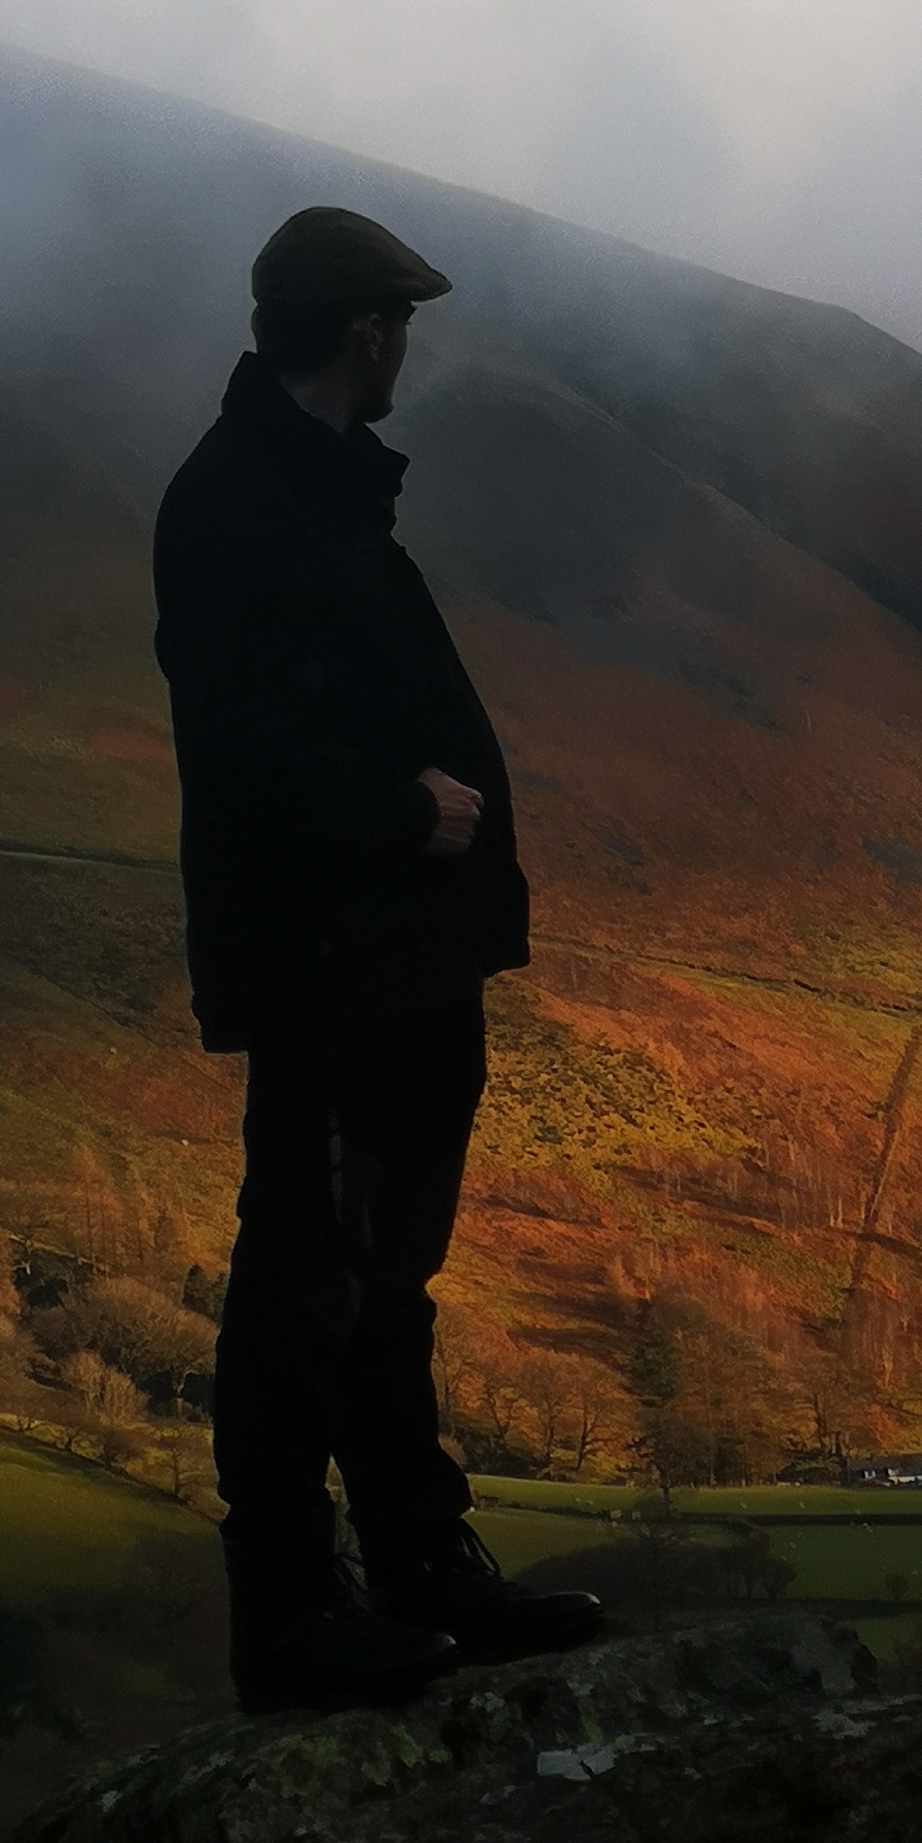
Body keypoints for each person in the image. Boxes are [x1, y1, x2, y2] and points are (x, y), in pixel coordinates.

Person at [153, 203, 605, 1711]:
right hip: (333, 965)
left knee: (380, 1277)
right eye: (400, 323)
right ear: (366, 334)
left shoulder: (317, 496)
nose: (408, 345)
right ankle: (291, 1610)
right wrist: (403, 806)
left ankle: (418, 1568)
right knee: (305, 1278)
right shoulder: (240, 505)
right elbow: (240, 746)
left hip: (397, 962)